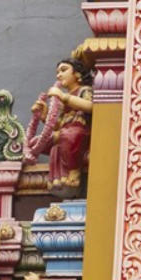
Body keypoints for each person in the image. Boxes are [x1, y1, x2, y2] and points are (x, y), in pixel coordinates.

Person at [30, 58, 93, 196]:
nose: (59, 75)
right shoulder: (64, 98)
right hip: (65, 131)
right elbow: (59, 123)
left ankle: (73, 172)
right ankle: (58, 177)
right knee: (35, 142)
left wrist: (63, 96)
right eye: (57, 72)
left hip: (80, 131)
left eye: (63, 70)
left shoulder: (84, 90)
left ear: (77, 74)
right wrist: (44, 115)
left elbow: (90, 106)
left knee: (68, 136)